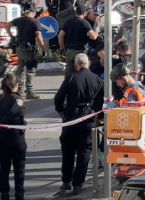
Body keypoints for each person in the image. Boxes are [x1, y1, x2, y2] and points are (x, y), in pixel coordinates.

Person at [54, 53, 103, 195]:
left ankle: (66, 181)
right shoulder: (97, 80)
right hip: (88, 121)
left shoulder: (70, 78)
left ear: (76, 65)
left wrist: (60, 111)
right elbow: (103, 100)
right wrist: (99, 116)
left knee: (68, 151)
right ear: (88, 63)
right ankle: (77, 184)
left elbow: (58, 97)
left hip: (70, 120)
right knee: (84, 152)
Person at [0, 74, 26, 200]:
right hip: (15, 137)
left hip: (1, 138)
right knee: (19, 168)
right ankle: (19, 195)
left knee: (4, 167)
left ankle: (4, 194)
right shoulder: (17, 99)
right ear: (15, 85)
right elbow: (13, 112)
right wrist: (2, 124)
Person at [6, 7, 44, 99]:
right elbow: (39, 37)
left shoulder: (19, 20)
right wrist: (43, 48)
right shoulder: (35, 22)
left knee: (20, 69)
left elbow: (7, 26)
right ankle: (30, 92)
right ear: (33, 13)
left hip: (19, 48)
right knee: (30, 70)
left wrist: (12, 37)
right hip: (29, 50)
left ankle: (20, 90)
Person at [58, 5, 99, 75]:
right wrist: (97, 31)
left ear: (75, 12)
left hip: (69, 52)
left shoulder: (68, 22)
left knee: (69, 74)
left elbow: (60, 36)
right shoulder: (84, 23)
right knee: (82, 73)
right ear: (84, 13)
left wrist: (62, 48)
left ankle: (68, 85)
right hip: (80, 52)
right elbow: (93, 37)